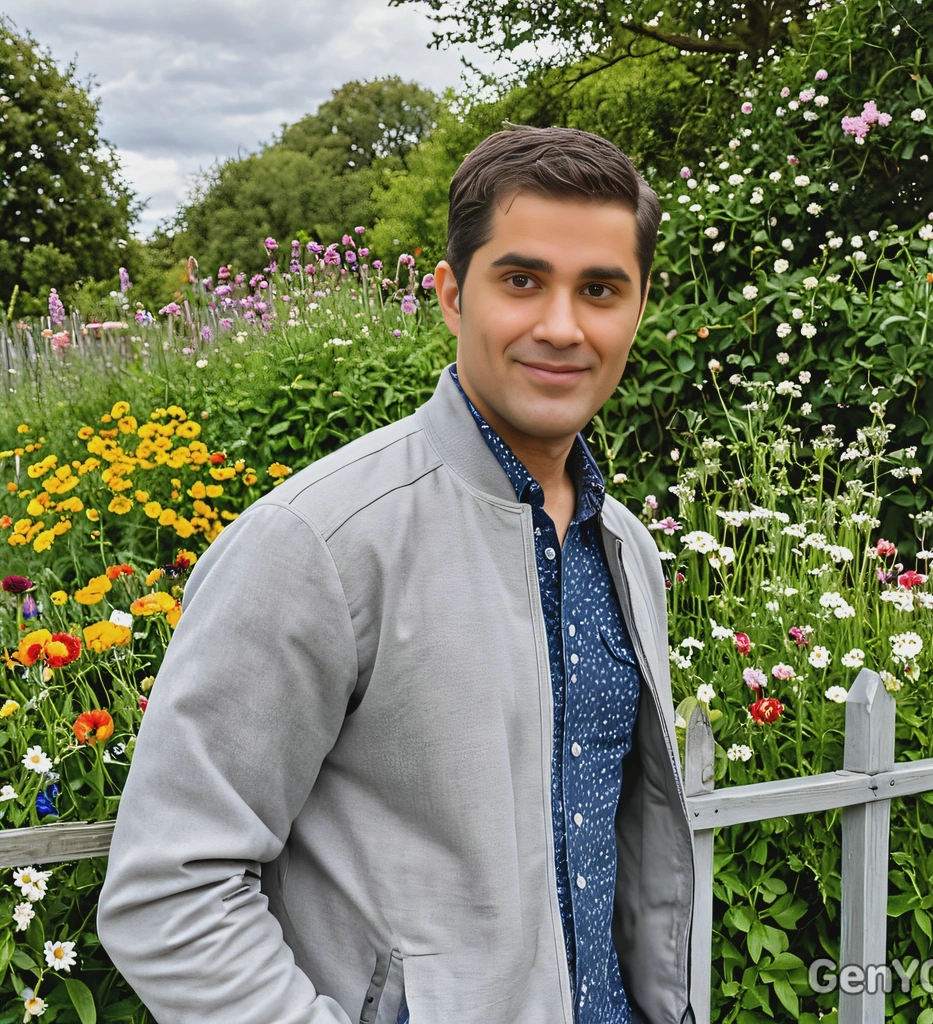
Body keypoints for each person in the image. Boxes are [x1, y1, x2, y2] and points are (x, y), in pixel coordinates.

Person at [97, 124, 696, 1024]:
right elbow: (170, 888)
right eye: (522, 280)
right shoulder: (321, 542)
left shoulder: (626, 547)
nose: (563, 326)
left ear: (639, 306)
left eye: (601, 289)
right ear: (453, 295)